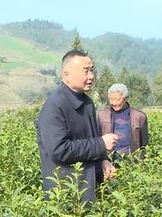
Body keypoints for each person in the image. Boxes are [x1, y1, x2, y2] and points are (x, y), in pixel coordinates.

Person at [37, 49, 118, 203]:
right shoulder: (55, 106)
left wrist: (103, 160)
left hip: (90, 191)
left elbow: (91, 139)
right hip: (67, 194)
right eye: (86, 71)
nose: (91, 76)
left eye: (92, 70)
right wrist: (101, 144)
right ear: (66, 75)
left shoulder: (87, 103)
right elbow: (59, 150)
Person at [98, 83, 149, 172]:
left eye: (117, 99)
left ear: (125, 98)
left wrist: (141, 162)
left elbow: (144, 143)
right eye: (111, 99)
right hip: (109, 160)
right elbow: (97, 139)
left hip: (131, 160)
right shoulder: (101, 116)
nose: (113, 103)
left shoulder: (139, 116)